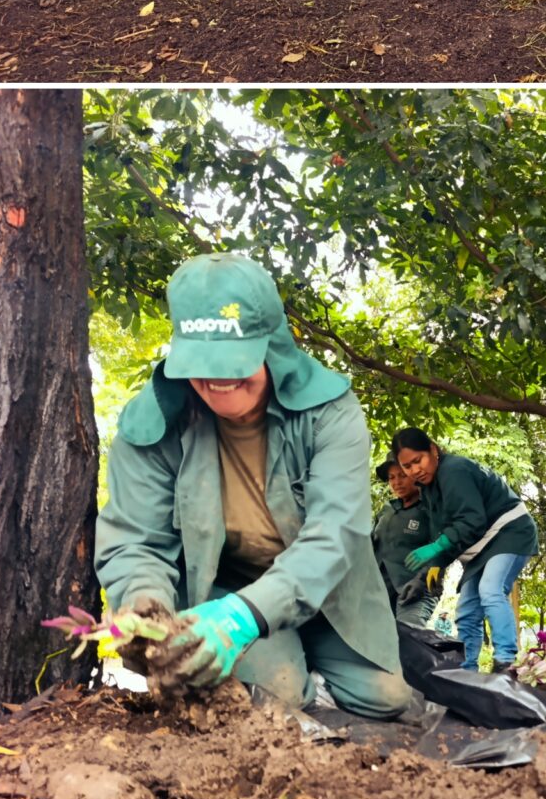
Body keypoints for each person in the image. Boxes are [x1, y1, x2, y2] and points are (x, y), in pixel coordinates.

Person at [93, 253, 413, 718]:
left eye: (235, 361)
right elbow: (135, 541)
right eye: (202, 361)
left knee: (387, 699)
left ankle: (311, 667)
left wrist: (246, 616)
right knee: (278, 697)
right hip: (219, 592)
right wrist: (148, 609)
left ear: (273, 346)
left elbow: (336, 532)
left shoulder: (329, 411)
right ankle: (287, 674)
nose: (218, 379)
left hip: (325, 591)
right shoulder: (153, 424)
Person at [388, 430, 538, 672]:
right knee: (467, 611)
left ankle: (506, 662)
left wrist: (437, 547)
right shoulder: (429, 489)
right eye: (407, 466)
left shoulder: (454, 470)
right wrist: (434, 566)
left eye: (418, 460)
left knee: (491, 590)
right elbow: (448, 534)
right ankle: (467, 672)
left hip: (510, 532)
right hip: (481, 549)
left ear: (433, 450)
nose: (415, 470)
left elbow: (472, 521)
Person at [372, 455, 442, 620]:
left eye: (402, 475)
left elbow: (442, 550)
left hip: (417, 589)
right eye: (391, 477)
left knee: (408, 631)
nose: (396, 482)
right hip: (380, 591)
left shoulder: (431, 509)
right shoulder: (387, 509)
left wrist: (422, 580)